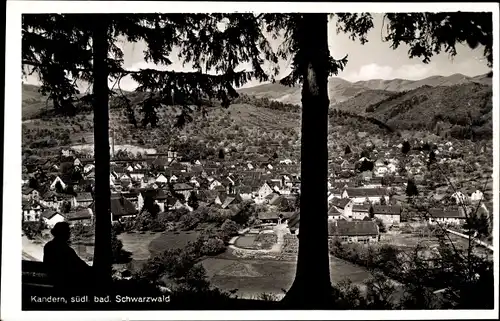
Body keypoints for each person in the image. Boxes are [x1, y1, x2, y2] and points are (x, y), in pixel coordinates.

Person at [43, 222, 94, 293]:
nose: (69, 234)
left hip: (53, 279)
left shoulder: (48, 246)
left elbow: (47, 264)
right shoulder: (66, 250)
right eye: (68, 231)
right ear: (63, 234)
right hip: (66, 283)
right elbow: (80, 264)